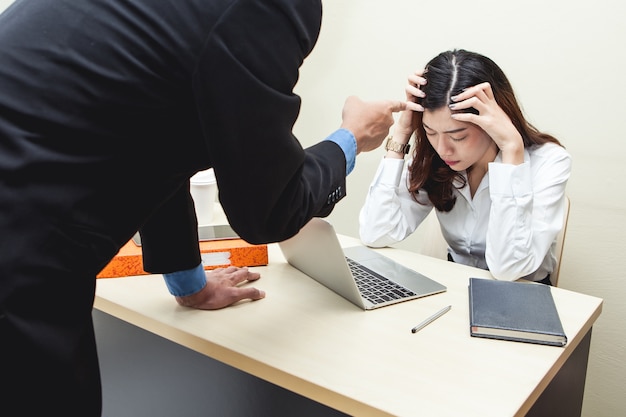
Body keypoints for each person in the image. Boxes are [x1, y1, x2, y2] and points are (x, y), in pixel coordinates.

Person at [0, 1, 407, 415]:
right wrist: (350, 138)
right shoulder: (268, 6)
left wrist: (189, 286)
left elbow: (153, 140)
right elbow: (269, 210)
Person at [359, 49, 571, 284]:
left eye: (458, 136)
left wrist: (511, 149)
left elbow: (508, 269)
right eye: (430, 132)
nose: (443, 149)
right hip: (457, 288)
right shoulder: (435, 159)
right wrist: (401, 134)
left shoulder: (549, 162)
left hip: (524, 294)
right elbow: (375, 232)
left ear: (493, 118)